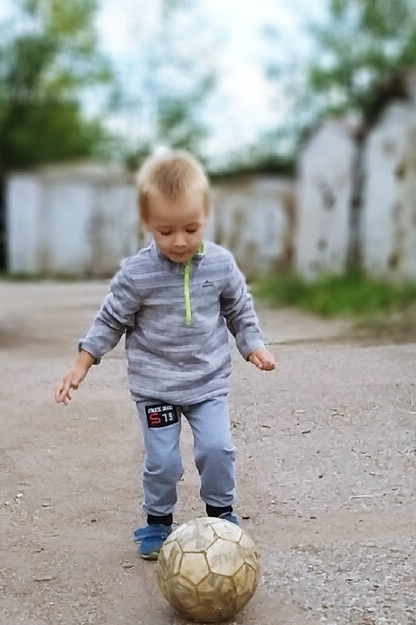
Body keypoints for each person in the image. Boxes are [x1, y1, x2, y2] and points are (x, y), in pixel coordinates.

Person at [54, 150, 276, 560]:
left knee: (217, 449)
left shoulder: (222, 265)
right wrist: (81, 363)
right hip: (156, 388)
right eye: (165, 230)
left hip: (207, 384)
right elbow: (110, 320)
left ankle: (221, 515)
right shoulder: (137, 274)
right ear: (147, 224)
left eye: (190, 228)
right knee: (163, 461)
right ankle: (158, 522)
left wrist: (253, 345)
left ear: (206, 215)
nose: (179, 241)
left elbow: (239, 309)